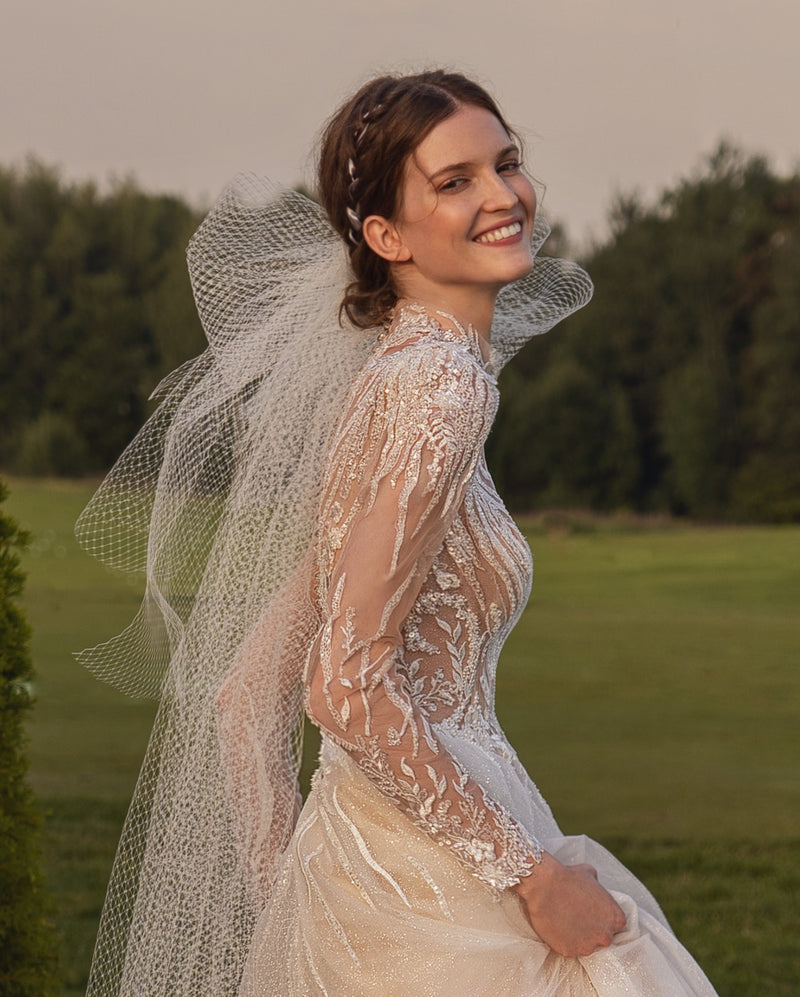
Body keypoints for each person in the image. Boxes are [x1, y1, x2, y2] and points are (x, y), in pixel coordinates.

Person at [77, 71, 718, 995]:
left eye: (507, 164)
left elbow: (246, 694)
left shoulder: (395, 377)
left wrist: (294, 900)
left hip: (372, 864)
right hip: (443, 874)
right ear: (384, 235)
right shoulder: (437, 390)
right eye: (454, 182)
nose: (502, 196)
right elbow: (344, 687)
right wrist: (528, 876)